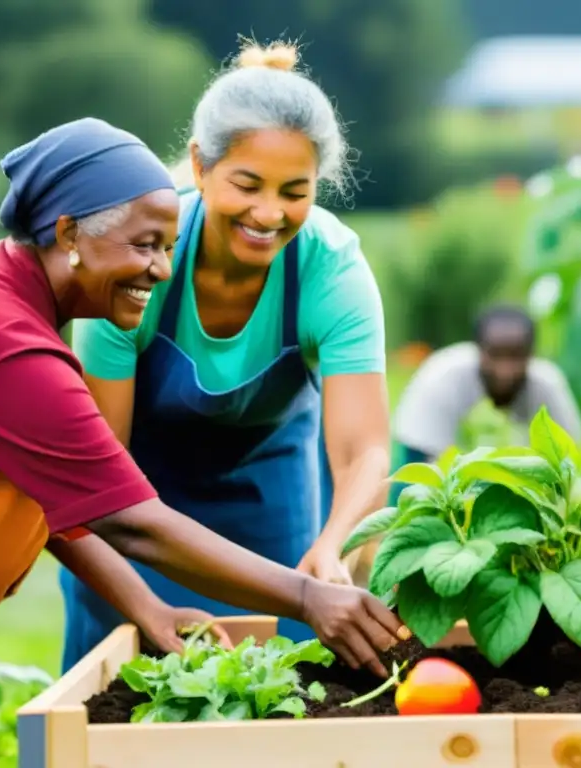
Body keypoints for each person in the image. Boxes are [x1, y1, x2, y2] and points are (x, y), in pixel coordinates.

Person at [0, 117, 409, 768]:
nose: (160, 270)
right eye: (144, 246)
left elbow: (59, 502)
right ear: (69, 232)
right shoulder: (5, 345)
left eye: (168, 247)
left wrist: (146, 606)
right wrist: (306, 597)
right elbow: (129, 522)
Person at [60, 39, 393, 670]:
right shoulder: (137, 265)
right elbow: (100, 472)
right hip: (135, 501)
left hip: (268, 494)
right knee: (122, 687)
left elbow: (364, 451)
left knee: (286, 683)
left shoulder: (332, 267)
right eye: (248, 185)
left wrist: (333, 546)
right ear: (201, 166)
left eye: (295, 191)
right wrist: (136, 592)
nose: (270, 213)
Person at [391, 305, 581, 470]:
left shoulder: (548, 383)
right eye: (495, 355)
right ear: (478, 350)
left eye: (516, 356)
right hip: (420, 447)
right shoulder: (442, 378)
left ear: (531, 354)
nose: (505, 371)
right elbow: (428, 460)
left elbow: (568, 456)